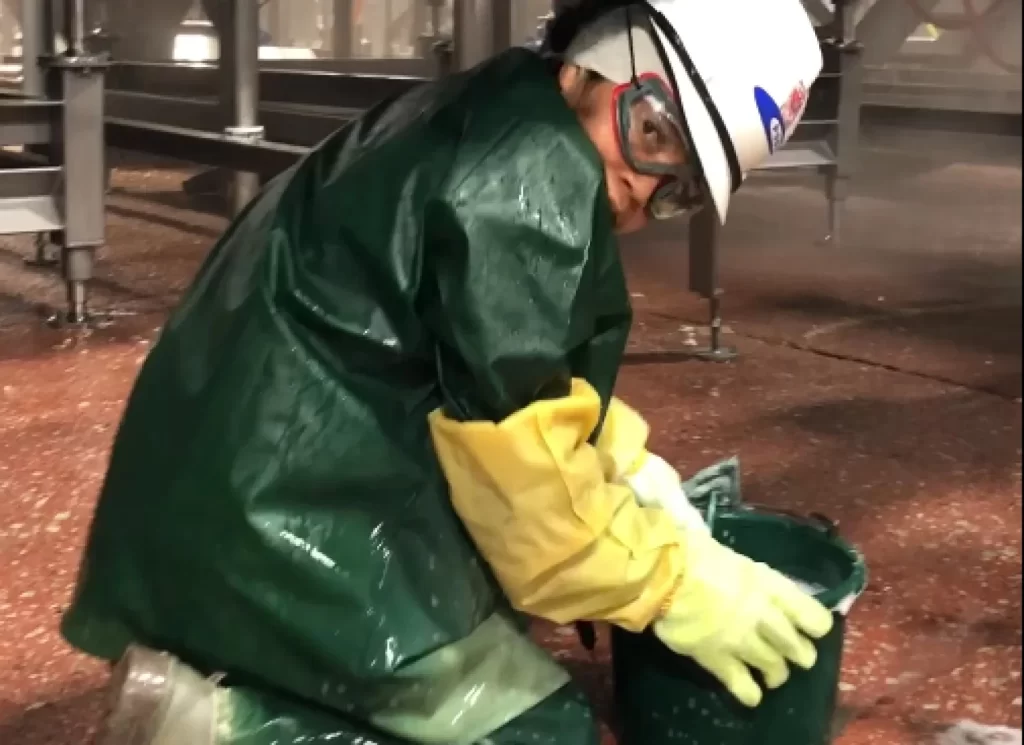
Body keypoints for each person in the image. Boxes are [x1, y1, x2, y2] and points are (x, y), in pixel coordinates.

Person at [62, 2, 833, 743]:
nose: (645, 188)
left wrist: (633, 474)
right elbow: (533, 507)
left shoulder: (505, 106)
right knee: (538, 731)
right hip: (279, 516)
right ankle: (230, 726)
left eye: (683, 188)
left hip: (239, 466)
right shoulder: (526, 181)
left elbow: (522, 378)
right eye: (653, 132)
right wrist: (675, 585)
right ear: (597, 58)